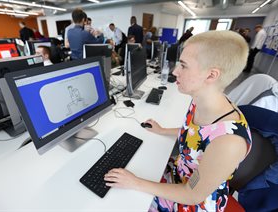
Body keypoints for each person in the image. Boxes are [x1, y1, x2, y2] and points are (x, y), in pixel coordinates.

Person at [104, 30, 252, 211]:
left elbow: (192, 195)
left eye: (183, 66)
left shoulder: (229, 142)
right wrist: (162, 130)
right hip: (178, 174)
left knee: (120, 201)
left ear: (211, 75)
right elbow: (196, 134)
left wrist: (135, 183)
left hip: (191, 199)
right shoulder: (201, 101)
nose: (175, 71)